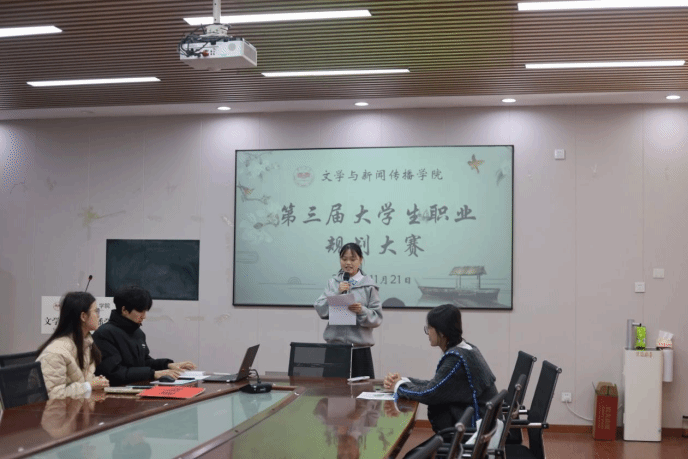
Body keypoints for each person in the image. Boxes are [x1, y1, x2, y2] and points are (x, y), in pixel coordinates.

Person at [383, 304, 498, 434]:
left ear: (442, 332)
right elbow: (438, 385)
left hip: (472, 432)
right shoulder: (468, 349)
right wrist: (404, 381)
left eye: (429, 328)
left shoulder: (456, 359)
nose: (427, 333)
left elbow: (430, 393)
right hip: (483, 425)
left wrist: (399, 386)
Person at [93, 285, 195, 386]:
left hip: (139, 388)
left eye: (145, 311)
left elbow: (144, 362)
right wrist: (153, 373)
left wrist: (167, 365)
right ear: (124, 310)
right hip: (114, 392)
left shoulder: (138, 332)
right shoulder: (104, 334)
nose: (144, 316)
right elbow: (114, 373)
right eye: (140, 311)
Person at [314, 242, 382, 378]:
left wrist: (361, 310)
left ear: (361, 260)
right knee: (333, 390)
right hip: (335, 348)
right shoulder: (333, 283)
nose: (348, 263)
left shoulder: (369, 286)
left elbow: (377, 317)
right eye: (344, 259)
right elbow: (320, 308)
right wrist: (337, 293)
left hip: (360, 350)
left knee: (362, 389)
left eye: (353, 259)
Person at [36, 292, 110, 399]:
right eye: (95, 311)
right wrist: (89, 386)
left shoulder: (86, 344)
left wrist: (96, 382)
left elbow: (80, 381)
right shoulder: (56, 352)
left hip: (76, 406)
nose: (98, 315)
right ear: (83, 316)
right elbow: (53, 395)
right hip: (54, 409)